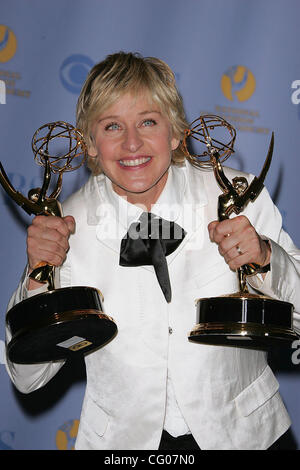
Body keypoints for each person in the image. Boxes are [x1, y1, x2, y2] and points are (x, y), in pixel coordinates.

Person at [5, 51, 300, 450]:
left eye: (148, 121)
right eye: (112, 126)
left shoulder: (239, 196)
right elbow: (27, 378)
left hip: (248, 437)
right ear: (88, 144)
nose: (131, 143)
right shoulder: (65, 227)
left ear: (176, 133)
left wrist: (266, 258)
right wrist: (39, 275)